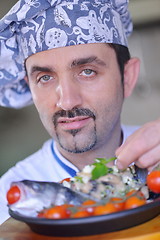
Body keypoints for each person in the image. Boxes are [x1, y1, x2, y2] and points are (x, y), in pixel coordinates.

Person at [0, 0, 160, 224]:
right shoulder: (7, 203)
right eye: (44, 78)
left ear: (128, 78)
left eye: (87, 71)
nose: (66, 101)